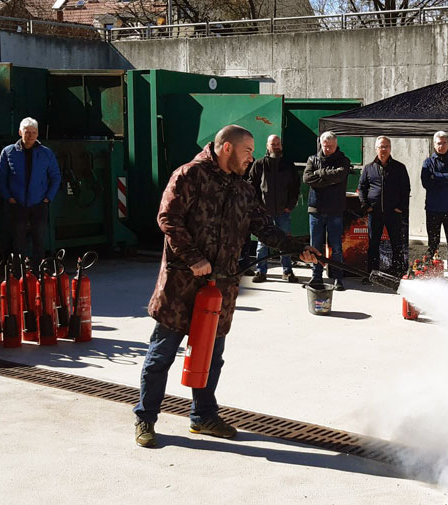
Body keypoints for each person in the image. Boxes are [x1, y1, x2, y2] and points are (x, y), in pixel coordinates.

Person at [133, 125, 319, 448]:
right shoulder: (189, 175)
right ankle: (145, 418)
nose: (253, 157)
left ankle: (202, 416)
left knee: (212, 357)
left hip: (220, 291)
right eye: (248, 151)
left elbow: (265, 229)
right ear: (227, 148)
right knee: (161, 355)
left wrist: (296, 248)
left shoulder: (243, 190)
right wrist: (193, 258)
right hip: (181, 288)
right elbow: (168, 219)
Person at [0, 117, 60, 266]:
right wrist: (9, 197)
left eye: (34, 132)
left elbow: (56, 177)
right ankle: (20, 275)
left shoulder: (46, 153)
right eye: (27, 132)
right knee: (18, 242)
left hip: (39, 204)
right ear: (20, 132)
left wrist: (48, 198)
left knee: (39, 241)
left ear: (38, 134)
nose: (31, 135)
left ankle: (37, 273)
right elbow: (1, 177)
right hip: (17, 205)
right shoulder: (8, 152)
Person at [247, 134, 301, 283]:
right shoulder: (259, 164)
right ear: (267, 146)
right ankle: (261, 271)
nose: (276, 146)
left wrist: (290, 205)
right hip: (264, 212)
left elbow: (295, 187)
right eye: (273, 144)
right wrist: (258, 206)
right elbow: (251, 186)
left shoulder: (288, 165)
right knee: (262, 243)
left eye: (278, 144)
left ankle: (287, 271)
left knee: (285, 242)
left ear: (281, 146)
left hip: (283, 212)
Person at [303, 131, 351, 291]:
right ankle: (316, 276)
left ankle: (338, 278)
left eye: (331, 146)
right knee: (315, 246)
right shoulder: (312, 159)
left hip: (335, 210)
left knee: (336, 246)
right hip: (316, 209)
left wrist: (320, 174)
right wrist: (327, 178)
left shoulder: (343, 160)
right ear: (321, 144)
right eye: (325, 146)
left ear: (336, 144)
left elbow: (340, 175)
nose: (328, 149)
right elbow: (307, 178)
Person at [358, 135, 410, 278]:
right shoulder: (368, 168)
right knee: (373, 244)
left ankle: (398, 273)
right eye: (381, 146)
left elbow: (406, 189)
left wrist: (401, 207)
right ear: (376, 149)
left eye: (386, 146)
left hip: (394, 213)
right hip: (374, 213)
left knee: (396, 244)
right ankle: (372, 274)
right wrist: (365, 206)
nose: (384, 149)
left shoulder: (399, 167)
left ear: (390, 148)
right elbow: (361, 188)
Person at [421, 131, 448, 280]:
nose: (441, 146)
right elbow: (426, 182)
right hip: (432, 209)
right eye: (438, 143)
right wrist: (446, 176)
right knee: (433, 242)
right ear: (434, 144)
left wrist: (435, 176)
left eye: (444, 143)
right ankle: (431, 273)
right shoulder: (427, 162)